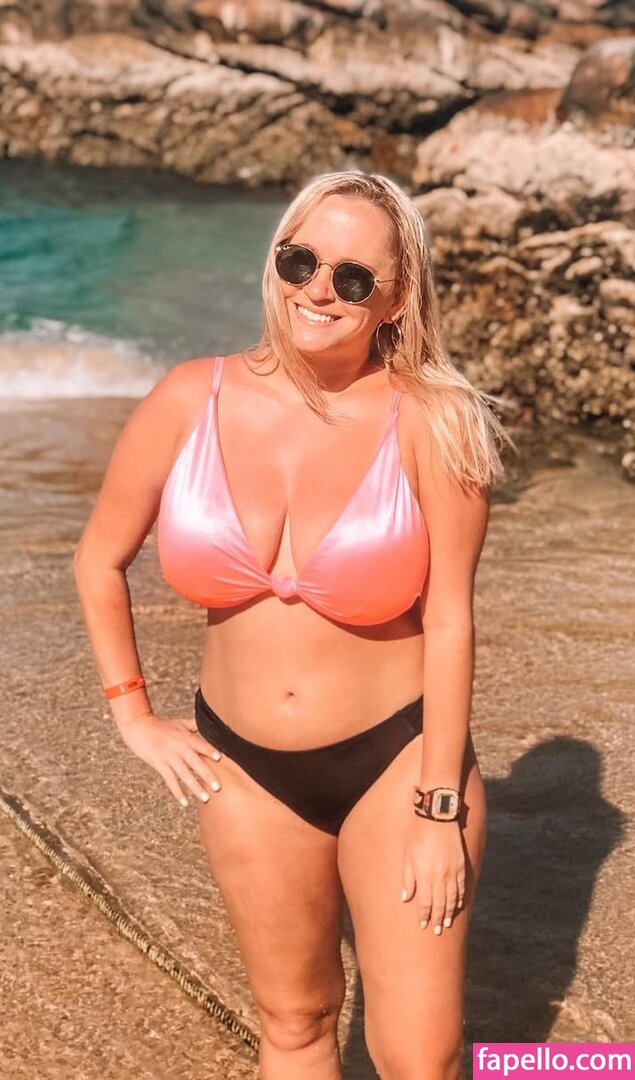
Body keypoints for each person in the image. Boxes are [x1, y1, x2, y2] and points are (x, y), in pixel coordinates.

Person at [73, 170, 512, 1080]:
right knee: (295, 1021)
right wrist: (132, 715)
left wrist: (439, 808)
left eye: (352, 277)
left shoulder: (433, 422)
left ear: (396, 298)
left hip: (397, 761)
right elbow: (97, 560)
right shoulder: (188, 399)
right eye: (299, 260)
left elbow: (450, 622)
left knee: (418, 1056)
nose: (319, 289)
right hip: (241, 766)